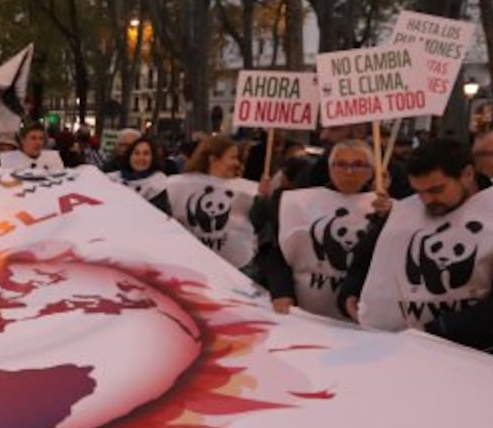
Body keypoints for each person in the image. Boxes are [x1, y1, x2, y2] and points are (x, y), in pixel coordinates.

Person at [339, 137, 493, 356]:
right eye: (419, 191)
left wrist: (442, 328)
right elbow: (364, 260)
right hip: (405, 351)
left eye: (436, 190)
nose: (427, 200)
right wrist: (350, 294)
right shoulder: (405, 210)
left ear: (467, 175)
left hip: (483, 356)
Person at [256, 138, 381, 318]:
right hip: (301, 313)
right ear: (330, 169)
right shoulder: (300, 203)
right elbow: (277, 253)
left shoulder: (385, 210)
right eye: (341, 164)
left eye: (358, 165)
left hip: (356, 317)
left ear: (371, 171)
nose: (349, 171)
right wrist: (282, 292)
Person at [159, 134, 260, 268]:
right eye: (233, 158)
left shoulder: (246, 190)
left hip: (236, 271)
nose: (237, 163)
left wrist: (263, 199)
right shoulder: (175, 185)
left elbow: (259, 221)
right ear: (213, 159)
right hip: (189, 266)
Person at [0, 122, 64, 172]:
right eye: (33, 138)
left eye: (41, 138)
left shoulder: (53, 157)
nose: (38, 142)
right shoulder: (6, 159)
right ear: (22, 140)